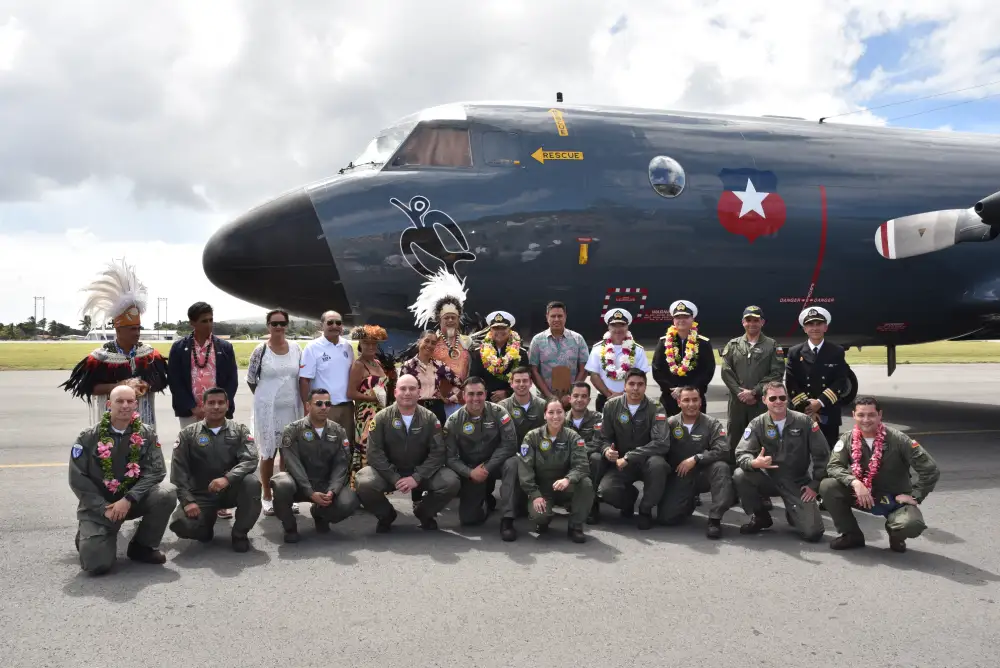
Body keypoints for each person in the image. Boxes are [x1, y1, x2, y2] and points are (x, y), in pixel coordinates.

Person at [68, 385, 176, 575]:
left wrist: (129, 499)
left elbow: (157, 471)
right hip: (101, 507)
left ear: (136, 404)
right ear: (109, 404)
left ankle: (143, 547)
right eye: (119, 401)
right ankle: (90, 534)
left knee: (166, 493)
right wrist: (103, 508)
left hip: (132, 501)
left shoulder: (146, 434)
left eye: (130, 401)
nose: (125, 405)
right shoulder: (88, 437)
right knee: (97, 565)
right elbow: (77, 478)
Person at [819, 396, 940, 553]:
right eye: (861, 415)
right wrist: (855, 483)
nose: (866, 420)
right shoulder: (848, 438)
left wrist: (916, 496)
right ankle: (851, 535)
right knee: (828, 486)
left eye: (871, 415)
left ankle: (896, 533)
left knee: (911, 525)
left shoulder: (899, 440)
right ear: (854, 415)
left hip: (894, 499)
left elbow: (930, 470)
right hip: (864, 495)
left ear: (880, 415)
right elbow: (834, 466)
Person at [62, 259, 168, 428]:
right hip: (111, 419)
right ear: (118, 330)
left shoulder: (149, 355)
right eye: (131, 329)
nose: (137, 332)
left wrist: (144, 385)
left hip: (144, 419)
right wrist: (120, 386)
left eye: (138, 328)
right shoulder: (101, 357)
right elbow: (89, 387)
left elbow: (161, 382)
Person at [354, 374, 461, 532]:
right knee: (364, 481)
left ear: (419, 392)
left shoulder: (430, 418)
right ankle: (386, 515)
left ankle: (425, 513)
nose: (407, 392)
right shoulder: (381, 418)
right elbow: (374, 453)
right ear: (395, 392)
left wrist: (417, 477)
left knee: (451, 481)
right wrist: (394, 478)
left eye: (412, 388)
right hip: (389, 474)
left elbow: (438, 452)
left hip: (422, 473)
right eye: (403, 389)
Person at [168, 387, 262, 552]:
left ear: (227, 405)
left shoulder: (240, 430)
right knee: (181, 524)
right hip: (201, 494)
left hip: (232, 490)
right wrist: (188, 501)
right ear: (203, 406)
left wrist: (227, 479)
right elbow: (178, 472)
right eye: (211, 403)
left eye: (220, 403)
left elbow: (251, 459)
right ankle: (205, 525)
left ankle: (239, 534)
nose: (216, 407)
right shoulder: (187, 434)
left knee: (252, 483)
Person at [733, 381, 829, 542]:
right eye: (773, 398)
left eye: (782, 397)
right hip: (768, 478)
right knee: (740, 474)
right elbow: (742, 452)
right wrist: (754, 463)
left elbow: (823, 455)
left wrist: (815, 486)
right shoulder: (757, 423)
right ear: (764, 400)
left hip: (797, 482)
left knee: (813, 534)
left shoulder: (805, 422)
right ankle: (760, 516)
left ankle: (793, 512)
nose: (778, 401)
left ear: (787, 399)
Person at [269, 389, 361, 542]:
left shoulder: (338, 431)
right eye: (318, 403)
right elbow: (293, 464)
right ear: (308, 406)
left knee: (350, 501)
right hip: (299, 484)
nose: (324, 407)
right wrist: (310, 492)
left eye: (327, 404)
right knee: (281, 483)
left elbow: (341, 464)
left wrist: (333, 490)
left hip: (325, 485)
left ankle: (320, 513)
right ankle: (290, 527)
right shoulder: (292, 430)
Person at [591, 368, 669, 529]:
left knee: (658, 464)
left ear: (645, 387)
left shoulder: (656, 407)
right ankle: (628, 499)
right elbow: (603, 438)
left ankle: (645, 509)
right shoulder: (611, 406)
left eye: (640, 384)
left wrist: (630, 457)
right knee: (606, 490)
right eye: (631, 384)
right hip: (619, 463)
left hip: (645, 461)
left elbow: (661, 443)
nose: (635, 388)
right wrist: (607, 450)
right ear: (624, 386)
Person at [444, 377, 519, 541]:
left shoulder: (499, 413)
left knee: (513, 462)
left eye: (479, 393)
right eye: (471, 394)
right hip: (473, 469)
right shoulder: (454, 421)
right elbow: (449, 457)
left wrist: (487, 467)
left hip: (497, 463)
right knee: (469, 520)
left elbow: (510, 444)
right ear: (464, 396)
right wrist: (469, 472)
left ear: (485, 394)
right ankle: (485, 501)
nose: (475, 398)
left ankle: (507, 519)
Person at [657, 386, 734, 539]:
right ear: (679, 402)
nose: (691, 404)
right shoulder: (670, 423)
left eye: (695, 400)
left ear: (700, 402)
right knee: (666, 518)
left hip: (704, 474)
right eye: (686, 400)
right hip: (681, 475)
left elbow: (724, 450)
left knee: (721, 467)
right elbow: (659, 448)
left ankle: (715, 519)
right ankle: (688, 501)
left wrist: (697, 458)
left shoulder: (712, 423)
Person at [246, 308, 303, 516]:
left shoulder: (296, 348)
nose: (278, 327)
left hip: (292, 408)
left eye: (282, 323)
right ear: (268, 326)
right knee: (268, 452)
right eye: (274, 323)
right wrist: (267, 399)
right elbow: (251, 380)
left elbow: (300, 377)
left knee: (288, 453)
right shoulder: (260, 350)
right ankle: (267, 495)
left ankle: (285, 494)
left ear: (287, 325)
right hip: (267, 410)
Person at [517, 398, 594, 542]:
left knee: (586, 483)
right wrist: (534, 494)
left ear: (564, 414)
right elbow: (525, 468)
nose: (555, 416)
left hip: (565, 486)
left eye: (559, 412)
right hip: (543, 489)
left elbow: (582, 465)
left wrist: (568, 479)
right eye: (551, 412)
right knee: (540, 516)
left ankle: (576, 526)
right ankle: (543, 521)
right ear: (544, 415)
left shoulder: (573, 437)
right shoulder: (532, 437)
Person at [720, 305, 784, 463]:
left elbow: (776, 373)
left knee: (764, 435)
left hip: (760, 401)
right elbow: (726, 371)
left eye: (756, 320)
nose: (752, 323)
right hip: (737, 402)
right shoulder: (733, 345)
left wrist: (754, 392)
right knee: (735, 436)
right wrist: (740, 393)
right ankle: (733, 470)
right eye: (748, 320)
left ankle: (764, 469)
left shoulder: (772, 345)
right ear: (743, 322)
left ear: (762, 322)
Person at [408, 269, 473, 417]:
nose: (450, 321)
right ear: (439, 320)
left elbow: (471, 370)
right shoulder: (431, 342)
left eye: (453, 317)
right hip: (437, 402)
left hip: (462, 400)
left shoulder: (467, 342)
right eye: (446, 318)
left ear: (458, 319)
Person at [785, 306, 851, 448]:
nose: (814, 328)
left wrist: (819, 403)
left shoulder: (836, 351)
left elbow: (840, 380)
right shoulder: (795, 352)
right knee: (800, 454)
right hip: (802, 412)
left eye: (818, 324)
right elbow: (791, 382)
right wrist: (808, 407)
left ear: (825, 327)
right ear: (804, 328)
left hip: (828, 411)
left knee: (828, 452)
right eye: (810, 324)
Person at [168, 301, 239, 428]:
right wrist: (192, 407)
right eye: (204, 321)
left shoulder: (225, 348)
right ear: (192, 323)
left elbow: (232, 380)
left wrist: (220, 405)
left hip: (218, 412)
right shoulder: (178, 348)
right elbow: (175, 381)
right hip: (190, 413)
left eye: (211, 320)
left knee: (219, 447)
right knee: (191, 446)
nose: (209, 324)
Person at [299, 309, 355, 444]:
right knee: (323, 446)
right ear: (322, 325)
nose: (334, 326)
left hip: (347, 407)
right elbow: (304, 380)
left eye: (338, 323)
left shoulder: (347, 346)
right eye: (330, 322)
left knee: (346, 445)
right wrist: (308, 407)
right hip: (324, 407)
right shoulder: (312, 347)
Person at [651, 300, 716, 415]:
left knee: (696, 430)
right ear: (673, 320)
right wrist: (671, 388)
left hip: (694, 398)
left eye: (685, 317)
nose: (681, 320)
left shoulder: (703, 343)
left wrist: (689, 389)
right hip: (670, 397)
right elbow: (657, 369)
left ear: (692, 319)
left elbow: (708, 370)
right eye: (678, 317)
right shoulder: (664, 342)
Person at [347, 324, 392, 489]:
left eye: (374, 344)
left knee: (378, 450)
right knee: (366, 450)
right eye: (367, 343)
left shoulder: (377, 363)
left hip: (380, 413)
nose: (371, 347)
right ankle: (361, 487)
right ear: (360, 345)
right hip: (366, 416)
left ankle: (376, 486)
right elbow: (350, 393)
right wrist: (370, 397)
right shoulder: (359, 365)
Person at [585, 308, 652, 412]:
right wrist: (608, 394)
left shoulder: (637, 349)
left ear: (627, 326)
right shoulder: (598, 348)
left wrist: (623, 395)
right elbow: (594, 375)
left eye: (622, 325)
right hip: (605, 398)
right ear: (608, 327)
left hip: (631, 399)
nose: (618, 329)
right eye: (614, 325)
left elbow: (641, 377)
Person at [528, 301, 590, 408]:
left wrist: (571, 394)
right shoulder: (537, 340)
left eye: (560, 316)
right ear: (547, 317)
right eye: (553, 316)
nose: (556, 319)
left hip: (572, 400)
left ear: (565, 316)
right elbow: (533, 370)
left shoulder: (577, 339)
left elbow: (584, 369)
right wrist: (549, 396)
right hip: (545, 399)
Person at [400, 331, 463, 425]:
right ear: (419, 342)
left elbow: (459, 383)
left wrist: (448, 398)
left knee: (437, 438)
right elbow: (400, 390)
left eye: (433, 343)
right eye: (427, 341)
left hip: (436, 409)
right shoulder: (408, 366)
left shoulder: (440, 365)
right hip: (415, 409)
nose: (429, 345)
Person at [468, 311, 527, 402]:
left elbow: (524, 379)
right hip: (485, 401)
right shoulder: (479, 353)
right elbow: (474, 378)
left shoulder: (520, 353)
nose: (499, 331)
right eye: (496, 328)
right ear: (490, 330)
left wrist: (507, 393)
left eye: (503, 328)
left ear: (510, 329)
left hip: (512, 401)